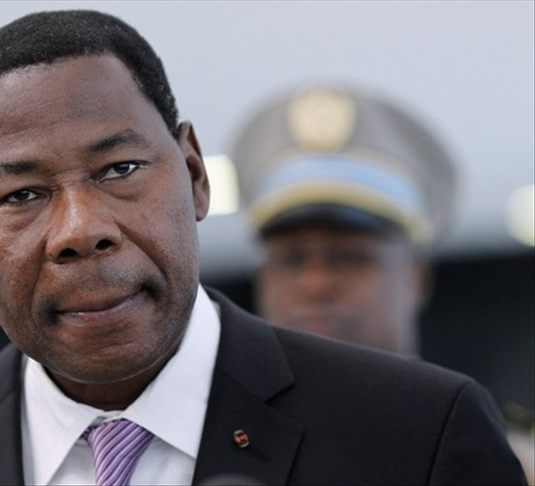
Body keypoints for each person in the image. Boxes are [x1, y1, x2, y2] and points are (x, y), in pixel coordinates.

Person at [0, 10, 526, 486]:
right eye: (22, 194)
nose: (80, 230)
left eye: (120, 169)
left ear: (193, 175)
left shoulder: (420, 436)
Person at [229, 82, 534, 483]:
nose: (315, 284)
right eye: (292, 260)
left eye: (350, 257)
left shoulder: (503, 463)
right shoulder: (209, 457)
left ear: (417, 277)